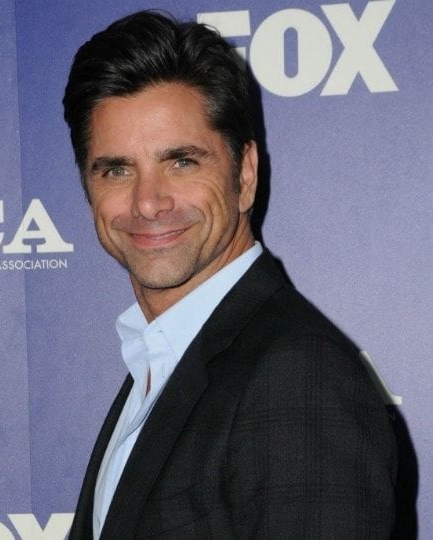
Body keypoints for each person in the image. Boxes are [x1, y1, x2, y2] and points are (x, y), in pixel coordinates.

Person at [61, 11, 397, 538]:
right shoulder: (159, 362)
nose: (148, 203)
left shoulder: (296, 378)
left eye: (182, 162)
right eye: (117, 169)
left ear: (245, 174)